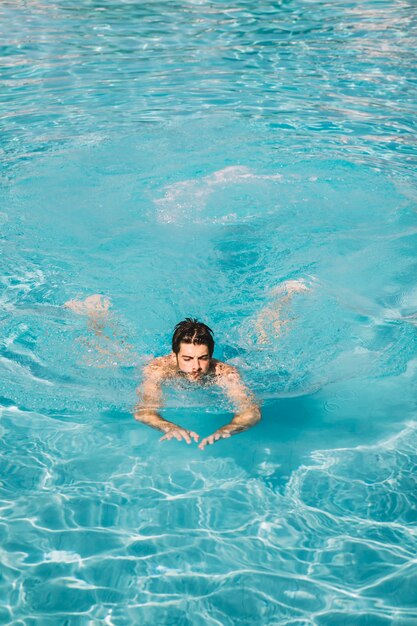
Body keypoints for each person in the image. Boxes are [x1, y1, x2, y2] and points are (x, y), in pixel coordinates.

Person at [134, 318, 261, 450]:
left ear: (211, 356)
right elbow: (144, 412)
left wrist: (227, 430)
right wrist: (170, 427)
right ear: (174, 355)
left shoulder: (224, 373)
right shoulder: (158, 370)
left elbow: (251, 412)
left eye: (203, 358)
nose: (196, 367)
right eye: (187, 359)